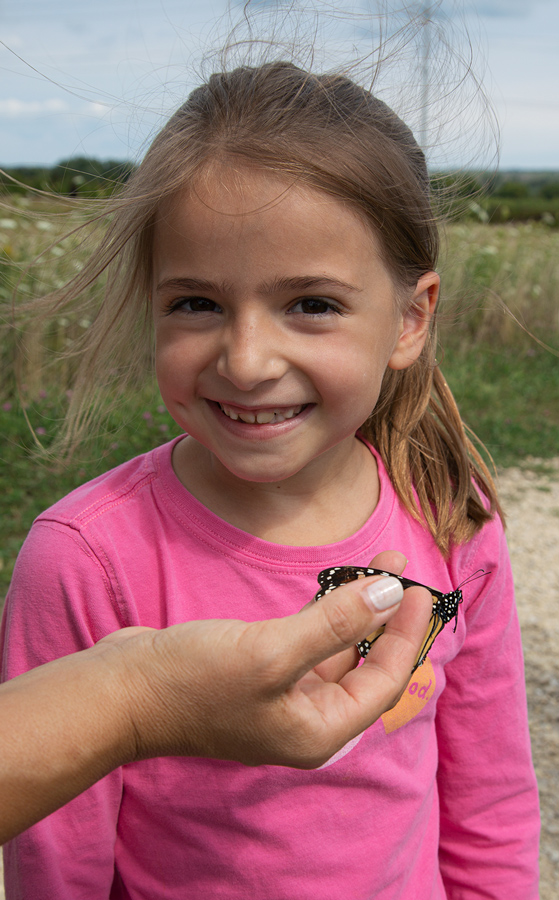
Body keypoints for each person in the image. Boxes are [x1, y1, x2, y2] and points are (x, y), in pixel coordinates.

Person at [1, 61, 539, 899]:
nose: (246, 361)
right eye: (196, 304)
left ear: (409, 317)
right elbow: (54, 859)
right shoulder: (87, 559)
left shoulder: (449, 519)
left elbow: (490, 803)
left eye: (311, 304)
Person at [0, 568, 433, 845]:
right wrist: (138, 700)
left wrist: (132, 692)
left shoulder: (449, 509)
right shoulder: (74, 558)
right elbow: (59, 843)